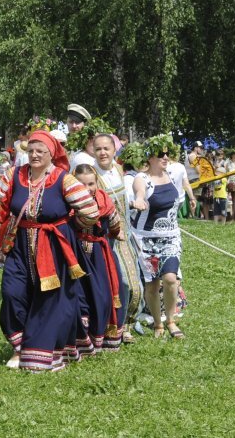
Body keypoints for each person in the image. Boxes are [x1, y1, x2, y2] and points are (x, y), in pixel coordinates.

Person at [0, 129, 99, 371]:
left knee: (48, 298)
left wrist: (71, 228)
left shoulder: (63, 179)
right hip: (19, 245)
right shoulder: (14, 175)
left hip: (53, 247)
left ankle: (40, 350)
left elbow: (90, 210)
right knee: (11, 292)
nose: (35, 155)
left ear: (52, 154)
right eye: (31, 150)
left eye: (41, 151)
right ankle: (19, 345)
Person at [130, 135, 194, 339]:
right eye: (160, 154)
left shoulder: (174, 173)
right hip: (146, 239)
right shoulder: (142, 178)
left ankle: (171, 320)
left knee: (170, 279)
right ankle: (158, 324)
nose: (165, 157)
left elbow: (183, 187)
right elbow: (139, 191)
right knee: (152, 284)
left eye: (168, 153)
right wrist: (139, 200)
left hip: (171, 237)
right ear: (149, 158)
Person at [89, 131, 142, 342]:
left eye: (106, 148)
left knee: (133, 283)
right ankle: (115, 326)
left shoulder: (119, 170)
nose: (102, 152)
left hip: (124, 236)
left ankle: (127, 323)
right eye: (98, 148)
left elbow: (128, 198)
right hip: (104, 237)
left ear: (114, 150)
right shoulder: (90, 175)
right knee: (118, 283)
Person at [71, 163, 124, 354]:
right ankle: (80, 340)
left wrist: (117, 233)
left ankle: (101, 339)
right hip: (75, 253)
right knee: (79, 296)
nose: (87, 189)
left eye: (91, 184)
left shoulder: (103, 200)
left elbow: (115, 221)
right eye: (81, 184)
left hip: (98, 254)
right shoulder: (67, 201)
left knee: (101, 295)